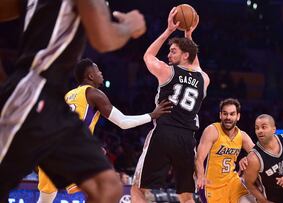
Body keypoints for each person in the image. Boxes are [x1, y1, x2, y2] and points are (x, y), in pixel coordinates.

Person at [0, 0, 146, 202]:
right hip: (31, 93)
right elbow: (104, 38)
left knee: (106, 187)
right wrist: (130, 25)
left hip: (50, 103)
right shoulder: (90, 93)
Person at [36, 58, 172, 203]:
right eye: (97, 70)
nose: (101, 73)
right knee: (106, 188)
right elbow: (123, 122)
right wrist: (152, 115)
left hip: (50, 149)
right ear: (90, 76)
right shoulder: (94, 93)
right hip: (71, 153)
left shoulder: (68, 95)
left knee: (45, 199)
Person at [131, 7, 210, 203]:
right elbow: (195, 65)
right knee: (186, 197)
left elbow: (148, 56)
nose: (168, 55)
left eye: (173, 51)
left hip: (164, 133)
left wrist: (168, 30)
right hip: (186, 140)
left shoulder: (167, 72)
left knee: (138, 190)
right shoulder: (204, 79)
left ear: (185, 56)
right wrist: (188, 35)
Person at [195, 98, 255, 203]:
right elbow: (199, 158)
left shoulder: (242, 136)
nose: (228, 117)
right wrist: (200, 175)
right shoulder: (212, 130)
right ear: (220, 115)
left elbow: (258, 155)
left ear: (238, 116)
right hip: (211, 186)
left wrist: (247, 158)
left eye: (232, 114)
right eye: (225, 114)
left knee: (251, 201)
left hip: (232, 183)